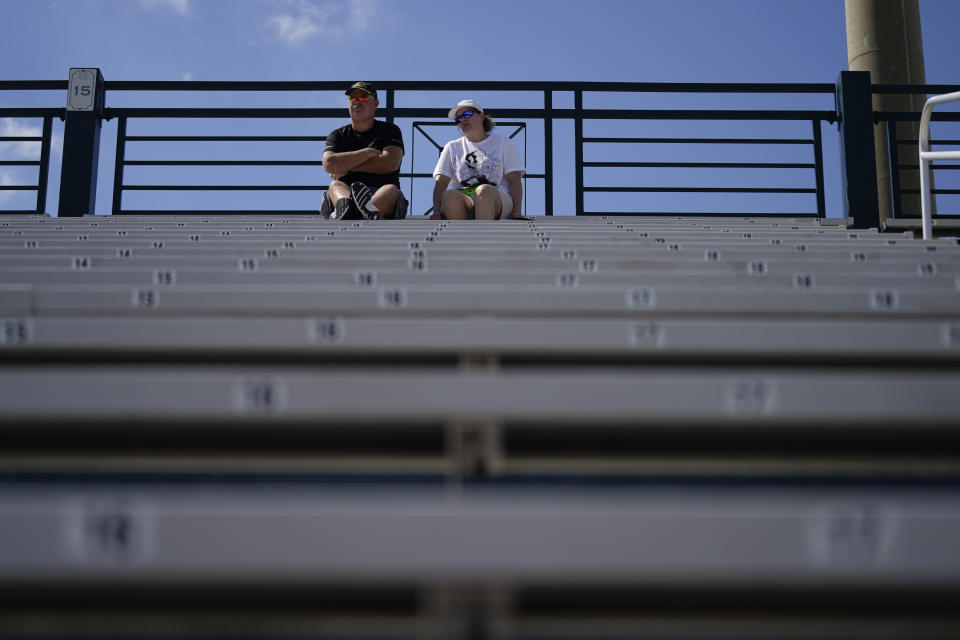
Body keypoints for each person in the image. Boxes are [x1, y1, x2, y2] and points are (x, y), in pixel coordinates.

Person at [320, 81, 407, 220]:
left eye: (363, 97)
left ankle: (367, 208)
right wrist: (368, 152)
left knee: (390, 190)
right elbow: (330, 164)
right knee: (335, 185)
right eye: (353, 98)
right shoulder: (337, 135)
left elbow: (391, 162)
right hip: (347, 193)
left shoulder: (390, 130)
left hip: (381, 194)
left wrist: (347, 168)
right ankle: (347, 207)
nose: (357, 102)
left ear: (376, 103)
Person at [432, 100, 526, 220]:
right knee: (449, 195)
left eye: (467, 114)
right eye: (458, 119)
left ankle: (483, 236)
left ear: (481, 116)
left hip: (498, 199)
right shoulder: (452, 147)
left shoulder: (503, 142)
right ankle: (460, 237)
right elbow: (441, 183)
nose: (463, 120)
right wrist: (436, 212)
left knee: (484, 191)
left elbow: (515, 179)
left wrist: (517, 212)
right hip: (465, 200)